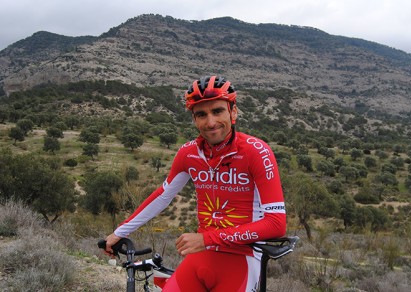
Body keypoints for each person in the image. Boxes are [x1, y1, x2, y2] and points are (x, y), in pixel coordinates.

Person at [104, 75, 286, 291]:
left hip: (243, 259)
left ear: (233, 112)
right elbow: (163, 196)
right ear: (194, 119)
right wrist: (121, 232)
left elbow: (276, 223)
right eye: (201, 114)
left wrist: (207, 239)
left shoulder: (256, 152)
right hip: (199, 258)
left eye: (217, 111)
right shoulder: (189, 153)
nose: (210, 122)